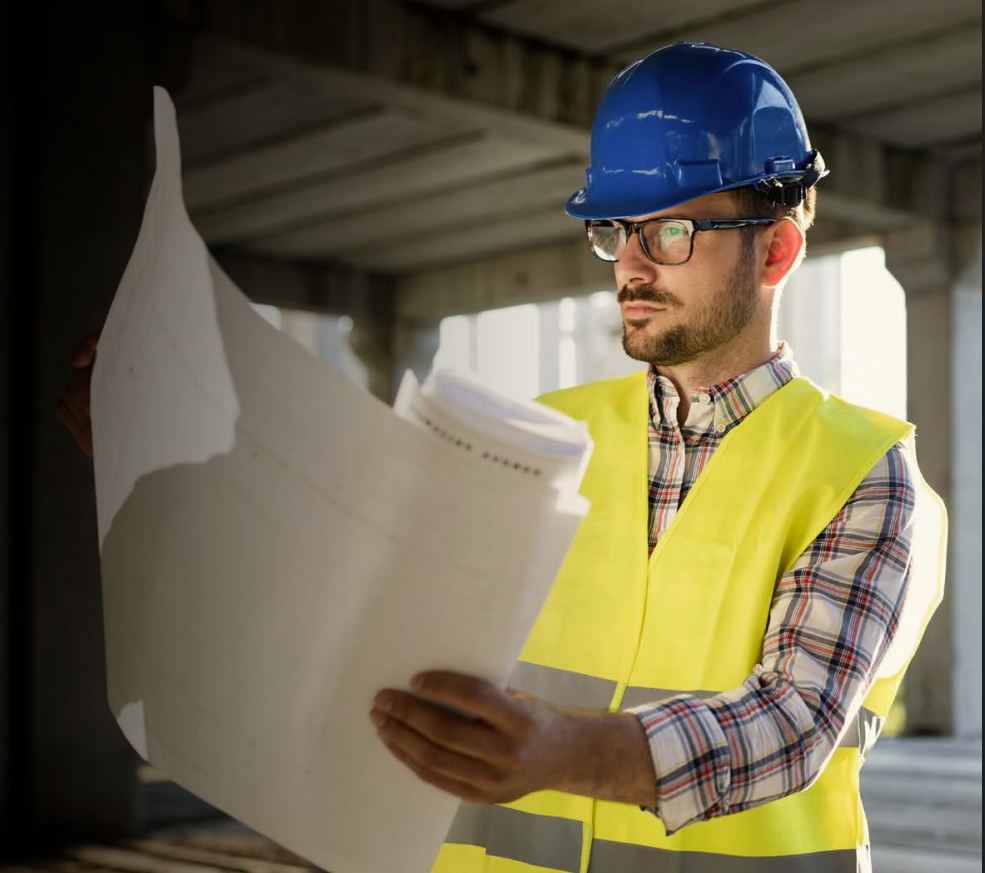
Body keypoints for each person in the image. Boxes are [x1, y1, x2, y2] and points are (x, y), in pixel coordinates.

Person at [59, 41, 946, 873]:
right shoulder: (533, 443)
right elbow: (345, 622)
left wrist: (563, 750)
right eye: (613, 230)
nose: (630, 266)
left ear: (777, 248)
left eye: (667, 232)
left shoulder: (862, 472)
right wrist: (144, 465)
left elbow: (792, 723)